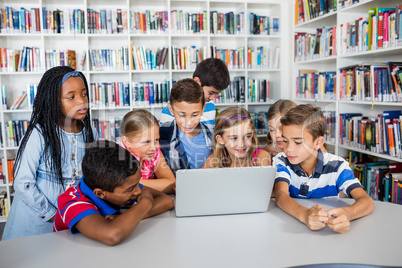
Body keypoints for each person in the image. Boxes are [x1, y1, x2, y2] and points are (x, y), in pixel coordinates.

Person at [2, 66, 98, 240]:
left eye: (84, 94)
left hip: (72, 219)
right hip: (37, 222)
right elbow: (23, 183)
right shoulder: (39, 134)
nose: (82, 101)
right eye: (72, 97)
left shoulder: (91, 132)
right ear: (53, 100)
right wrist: (54, 215)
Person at [273, 104, 374, 234]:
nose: (288, 149)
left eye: (298, 142)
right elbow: (281, 195)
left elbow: (367, 201)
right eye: (285, 141)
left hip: (327, 232)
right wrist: (305, 215)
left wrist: (348, 213)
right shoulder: (281, 160)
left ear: (318, 143)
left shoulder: (337, 166)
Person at [53, 140, 174, 246]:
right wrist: (145, 203)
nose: (138, 191)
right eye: (131, 188)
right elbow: (112, 234)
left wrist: (122, 218)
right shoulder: (72, 202)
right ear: (100, 194)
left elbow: (167, 201)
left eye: (138, 183)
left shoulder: (122, 185)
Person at [160, 58, 230, 131]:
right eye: (211, 93)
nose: (212, 98)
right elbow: (165, 137)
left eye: (216, 94)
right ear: (197, 81)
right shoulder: (171, 108)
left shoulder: (210, 105)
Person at [160, 78, 213, 174]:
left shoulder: (213, 136)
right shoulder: (161, 134)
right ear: (171, 109)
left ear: (203, 109)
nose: (188, 122)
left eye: (194, 115)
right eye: (182, 115)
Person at [120, 109, 175, 194]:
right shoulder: (119, 156)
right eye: (146, 142)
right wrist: (159, 185)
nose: (154, 147)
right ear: (127, 142)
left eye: (156, 140)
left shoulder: (154, 152)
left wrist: (134, 184)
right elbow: (122, 188)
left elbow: (171, 184)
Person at [202, 107, 271, 168]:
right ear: (220, 139)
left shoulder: (261, 156)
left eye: (247, 136)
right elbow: (196, 178)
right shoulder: (215, 159)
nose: (242, 144)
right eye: (234, 138)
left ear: (252, 134)